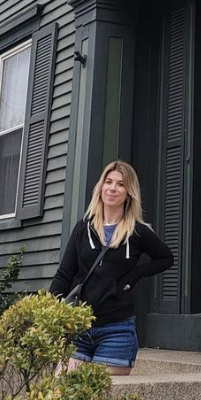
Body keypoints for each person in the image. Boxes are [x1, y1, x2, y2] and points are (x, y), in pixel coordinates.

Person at [50, 161, 173, 376]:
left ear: (129, 193)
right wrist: (50, 309)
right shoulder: (83, 228)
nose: (112, 188)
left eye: (120, 184)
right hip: (79, 327)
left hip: (117, 331)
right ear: (101, 187)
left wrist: (135, 275)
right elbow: (64, 273)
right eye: (108, 182)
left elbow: (165, 258)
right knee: (58, 397)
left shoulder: (137, 232)